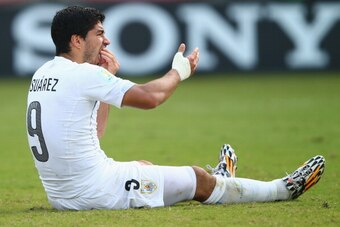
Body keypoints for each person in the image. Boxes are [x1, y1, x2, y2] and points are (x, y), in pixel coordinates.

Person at [26, 6, 325, 210]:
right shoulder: (84, 75)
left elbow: (94, 134)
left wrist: (110, 79)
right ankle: (281, 189)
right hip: (95, 193)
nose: (107, 40)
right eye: (99, 34)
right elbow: (150, 97)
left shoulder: (43, 73)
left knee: (145, 167)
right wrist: (178, 71)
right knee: (199, 180)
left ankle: (225, 181)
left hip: (62, 195)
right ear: (77, 40)